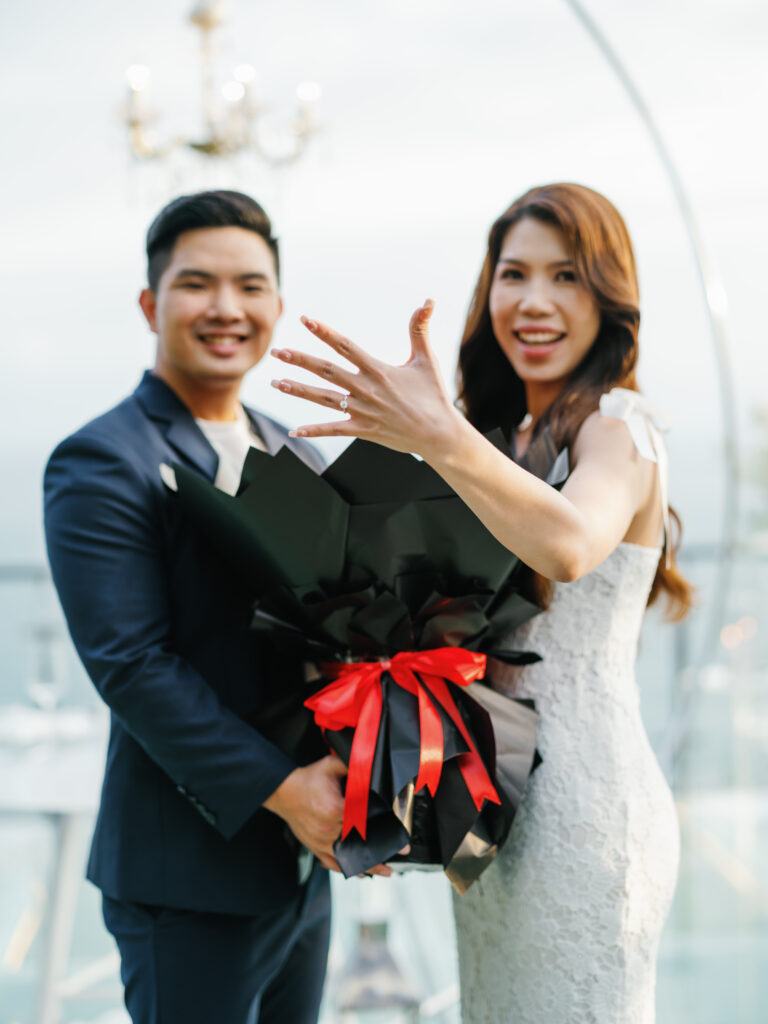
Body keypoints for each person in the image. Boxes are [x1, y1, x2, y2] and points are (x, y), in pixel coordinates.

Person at [269, 182, 692, 1022]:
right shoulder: (509, 439)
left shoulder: (620, 427)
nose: (534, 302)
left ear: (609, 297)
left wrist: (437, 435)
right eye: (514, 275)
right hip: (491, 807)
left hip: (588, 813)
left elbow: (569, 545)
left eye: (567, 276)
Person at [43, 190, 374, 1024]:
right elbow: (133, 667)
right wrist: (288, 790)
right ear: (152, 304)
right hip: (188, 877)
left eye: (250, 286)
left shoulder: (287, 443)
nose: (226, 307)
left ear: (277, 306)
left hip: (305, 867)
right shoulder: (101, 460)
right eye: (197, 284)